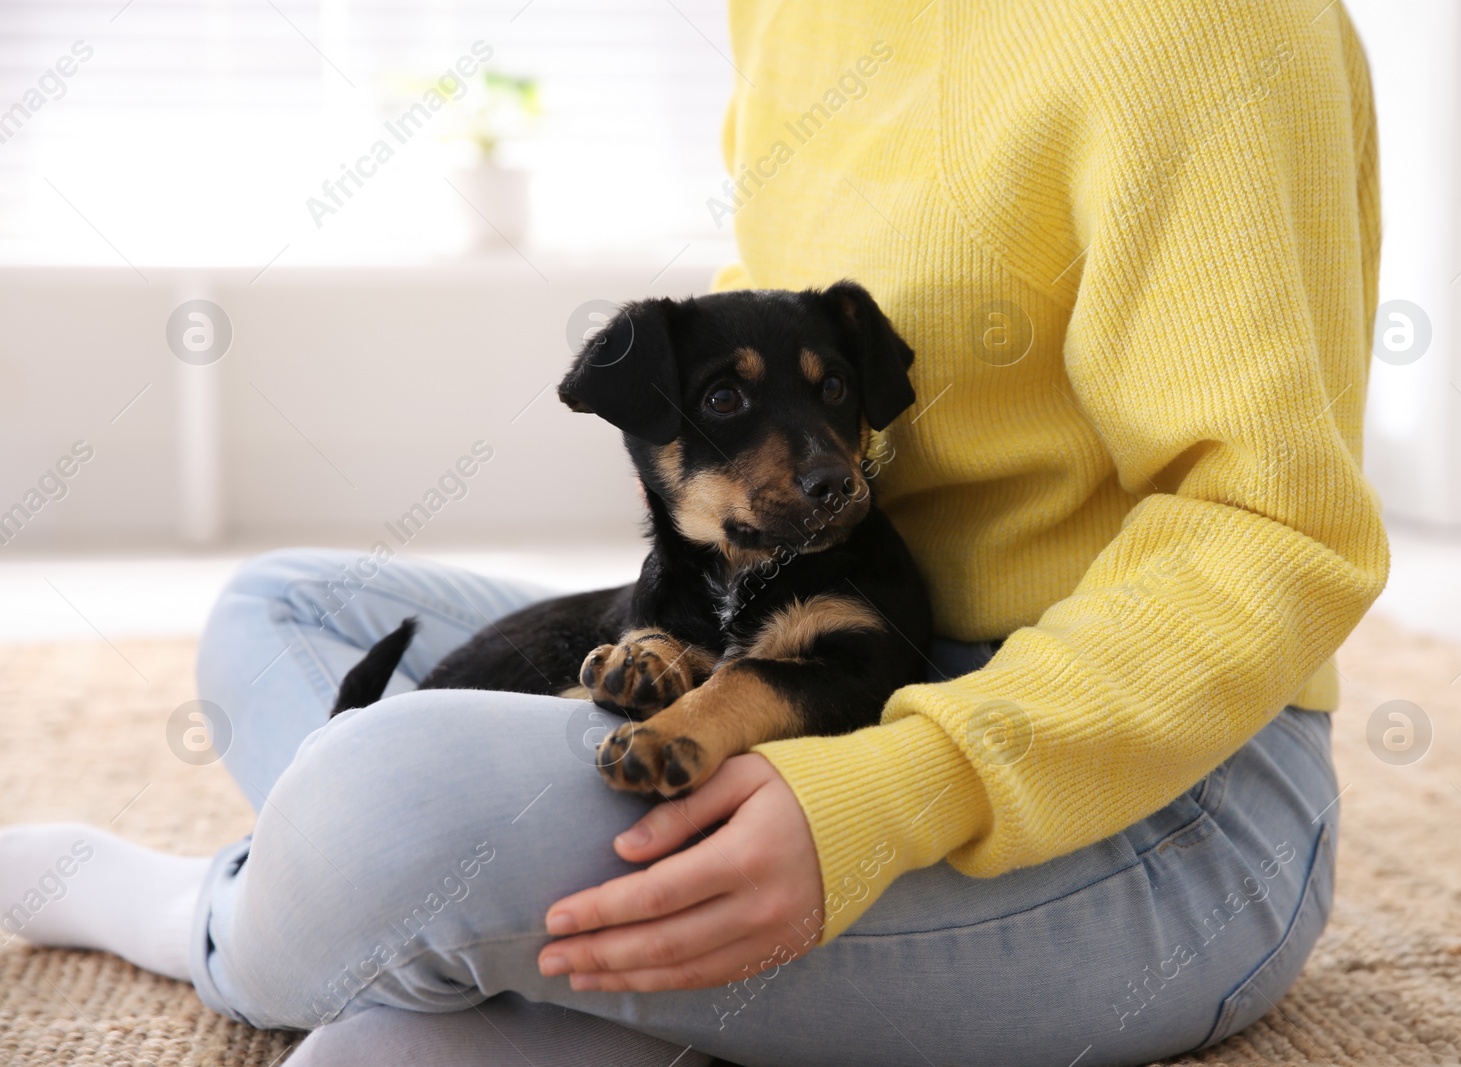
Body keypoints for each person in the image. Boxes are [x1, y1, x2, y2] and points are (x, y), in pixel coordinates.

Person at [0, 1, 1388, 1063]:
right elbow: (761, 327)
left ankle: (212, 919)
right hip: (796, 635)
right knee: (284, 610)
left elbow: (1266, 528)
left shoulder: (1212, 31)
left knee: (391, 794)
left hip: (1151, 790)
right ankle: (585, 982)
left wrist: (891, 791)